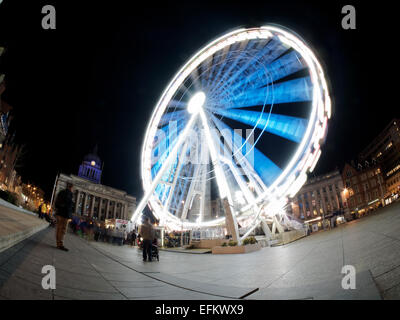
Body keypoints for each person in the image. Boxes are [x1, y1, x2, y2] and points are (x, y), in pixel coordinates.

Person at [54, 182, 74, 251]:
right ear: (71, 187)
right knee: (63, 230)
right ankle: (60, 244)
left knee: (59, 228)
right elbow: (68, 205)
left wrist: (58, 209)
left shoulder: (61, 192)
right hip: (64, 214)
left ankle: (58, 243)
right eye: (72, 188)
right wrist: (70, 215)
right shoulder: (69, 194)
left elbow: (56, 202)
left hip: (59, 212)